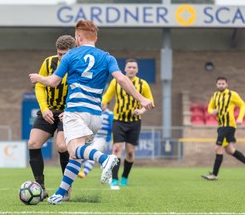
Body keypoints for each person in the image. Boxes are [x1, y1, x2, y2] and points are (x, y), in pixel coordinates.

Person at [29, 20, 154, 204]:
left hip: (75, 111)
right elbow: (121, 79)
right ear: (96, 37)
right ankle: (61, 193)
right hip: (96, 116)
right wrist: (141, 99)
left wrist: (38, 77)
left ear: (78, 37)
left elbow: (53, 81)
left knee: (73, 149)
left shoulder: (71, 56)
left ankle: (105, 159)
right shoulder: (107, 57)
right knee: (75, 155)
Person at [28, 35, 76, 200]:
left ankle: (66, 187)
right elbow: (40, 85)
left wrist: (70, 110)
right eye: (60, 54)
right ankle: (40, 187)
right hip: (49, 111)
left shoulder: (78, 66)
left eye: (66, 54)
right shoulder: (48, 62)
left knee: (62, 146)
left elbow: (80, 90)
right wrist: (45, 108)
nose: (62, 58)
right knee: (33, 143)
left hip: (68, 112)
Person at [101, 58, 154, 190]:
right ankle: (114, 179)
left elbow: (150, 103)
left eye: (134, 67)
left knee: (130, 152)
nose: (131, 69)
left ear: (137, 70)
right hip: (118, 120)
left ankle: (124, 177)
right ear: (125, 69)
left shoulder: (143, 84)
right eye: (129, 67)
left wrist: (140, 110)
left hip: (134, 123)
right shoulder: (116, 82)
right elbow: (106, 97)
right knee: (117, 148)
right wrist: (101, 105)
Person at [201, 76, 245, 181]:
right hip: (221, 126)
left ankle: (214, 174)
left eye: (223, 83)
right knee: (230, 150)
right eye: (219, 83)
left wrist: (240, 118)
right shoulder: (215, 95)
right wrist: (211, 111)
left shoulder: (232, 94)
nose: (221, 85)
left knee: (218, 148)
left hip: (229, 125)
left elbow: (243, 105)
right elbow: (209, 107)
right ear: (216, 85)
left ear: (227, 84)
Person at [77, 108, 114, 179]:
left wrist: (103, 127)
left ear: (107, 104)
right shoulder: (97, 113)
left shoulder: (109, 114)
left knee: (93, 152)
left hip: (103, 139)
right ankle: (106, 164)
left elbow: (113, 127)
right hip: (94, 138)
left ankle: (84, 173)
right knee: (86, 154)